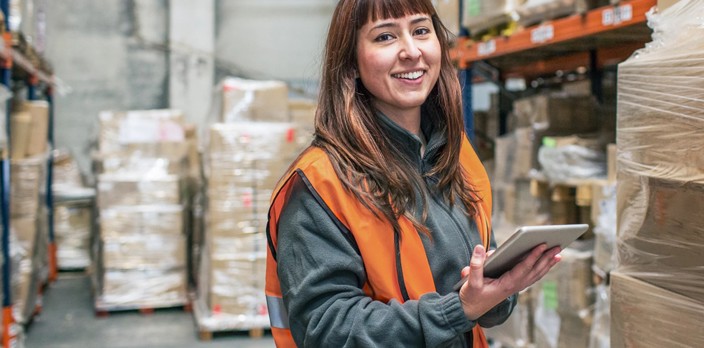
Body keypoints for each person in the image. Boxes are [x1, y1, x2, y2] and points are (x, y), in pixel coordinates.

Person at [265, 0, 562, 346]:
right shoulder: (320, 184)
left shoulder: (458, 156)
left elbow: (479, 290)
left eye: (421, 31)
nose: (411, 51)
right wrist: (459, 309)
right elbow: (327, 330)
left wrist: (501, 289)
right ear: (352, 62)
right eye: (385, 37)